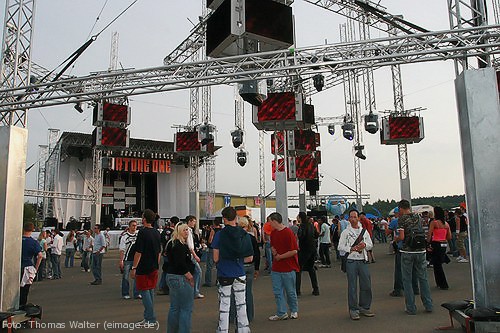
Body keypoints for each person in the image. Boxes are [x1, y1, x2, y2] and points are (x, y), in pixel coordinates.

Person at [212, 206, 253, 333]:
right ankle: (243, 329)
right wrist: (239, 260)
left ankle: (223, 329)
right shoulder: (244, 234)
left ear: (224, 219)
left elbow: (215, 258)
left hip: (224, 273)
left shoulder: (219, 234)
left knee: (225, 305)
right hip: (240, 272)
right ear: (236, 218)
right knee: (241, 304)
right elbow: (249, 258)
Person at [396, 199, 433, 315]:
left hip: (408, 251)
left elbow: (401, 237)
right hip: (421, 250)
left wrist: (396, 239)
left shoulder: (401, 219)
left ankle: (411, 307)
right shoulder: (418, 217)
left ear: (401, 208)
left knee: (407, 279)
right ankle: (428, 305)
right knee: (423, 278)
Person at [338, 209, 375, 320]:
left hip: (362, 260)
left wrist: (364, 245)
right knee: (352, 286)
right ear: (349, 219)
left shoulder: (363, 231)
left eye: (355, 217)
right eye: (351, 217)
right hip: (351, 260)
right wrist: (351, 248)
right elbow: (340, 246)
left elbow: (370, 244)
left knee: (366, 285)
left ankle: (364, 307)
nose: (353, 219)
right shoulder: (345, 232)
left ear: (358, 218)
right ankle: (353, 309)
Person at [131, 209, 161, 326]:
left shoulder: (142, 233)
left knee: (145, 292)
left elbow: (139, 252)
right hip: (153, 266)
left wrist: (134, 267)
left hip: (143, 266)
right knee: (150, 291)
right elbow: (159, 251)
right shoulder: (156, 232)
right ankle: (149, 316)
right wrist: (157, 264)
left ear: (144, 219)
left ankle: (150, 318)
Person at [268, 212, 300, 321]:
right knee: (277, 291)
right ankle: (282, 312)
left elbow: (294, 250)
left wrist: (280, 256)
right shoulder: (273, 233)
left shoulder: (288, 232)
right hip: (276, 267)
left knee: (290, 291)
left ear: (274, 221)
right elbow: (272, 246)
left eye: (270, 221)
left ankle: (294, 310)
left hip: (288, 267)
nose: (269, 224)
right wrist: (274, 251)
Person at [165, 222, 195, 333]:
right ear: (178, 232)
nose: (187, 232)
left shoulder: (173, 244)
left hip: (172, 276)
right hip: (180, 277)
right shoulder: (179, 245)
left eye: (187, 230)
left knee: (175, 308)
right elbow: (180, 263)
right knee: (186, 309)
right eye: (184, 230)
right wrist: (190, 276)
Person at [296, 211, 320, 296]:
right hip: (312, 249)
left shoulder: (301, 226)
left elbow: (301, 236)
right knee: (311, 269)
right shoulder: (311, 225)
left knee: (298, 269)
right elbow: (317, 235)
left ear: (300, 218)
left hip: (304, 250)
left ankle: (297, 291)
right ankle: (316, 289)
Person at [427, 206, 451, 290]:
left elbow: (429, 233)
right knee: (438, 263)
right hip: (444, 243)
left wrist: (428, 242)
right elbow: (449, 236)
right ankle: (439, 282)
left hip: (436, 243)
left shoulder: (434, 222)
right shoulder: (446, 224)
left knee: (437, 264)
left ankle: (443, 283)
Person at [20, 222, 42, 308]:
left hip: (15, 266)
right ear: (32, 230)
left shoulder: (17, 239)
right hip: (27, 267)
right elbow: (40, 256)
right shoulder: (33, 242)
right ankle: (21, 307)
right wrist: (35, 268)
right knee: (24, 290)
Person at [119, 220, 139, 299]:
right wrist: (121, 260)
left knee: (137, 277)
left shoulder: (138, 235)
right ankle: (125, 293)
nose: (134, 227)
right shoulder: (125, 236)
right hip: (127, 259)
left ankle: (137, 293)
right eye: (133, 225)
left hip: (136, 260)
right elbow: (122, 249)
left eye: (135, 226)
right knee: (125, 277)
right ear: (129, 227)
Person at [186, 215, 204, 299]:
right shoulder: (188, 231)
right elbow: (190, 246)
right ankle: (195, 292)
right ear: (189, 221)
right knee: (198, 272)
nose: (194, 223)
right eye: (193, 221)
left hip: (190, 255)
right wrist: (195, 255)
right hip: (191, 255)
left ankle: (192, 291)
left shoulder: (189, 230)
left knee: (191, 272)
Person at [158, 216, 177, 295]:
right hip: (172, 254)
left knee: (165, 270)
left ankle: (163, 286)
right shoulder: (175, 233)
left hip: (165, 253)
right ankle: (166, 286)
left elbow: (161, 241)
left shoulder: (164, 231)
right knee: (171, 271)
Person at [203, 216, 222, 287]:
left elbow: (210, 240)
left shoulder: (213, 231)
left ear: (214, 223)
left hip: (212, 249)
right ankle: (218, 281)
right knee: (218, 266)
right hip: (220, 249)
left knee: (209, 266)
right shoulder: (221, 230)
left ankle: (208, 282)